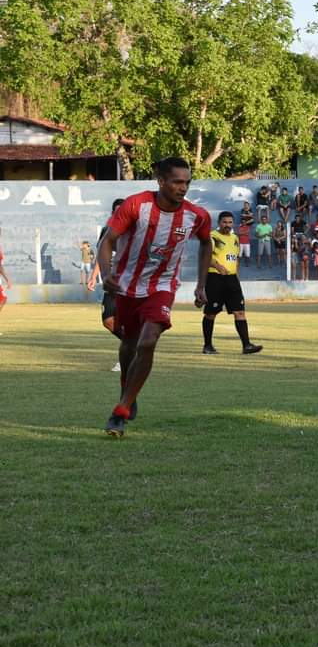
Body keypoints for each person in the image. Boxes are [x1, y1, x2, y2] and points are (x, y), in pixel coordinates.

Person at [95, 157, 212, 438]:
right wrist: (106, 273)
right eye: (177, 182)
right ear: (161, 182)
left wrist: (201, 285)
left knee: (148, 341)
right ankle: (128, 384)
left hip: (162, 286)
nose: (183, 188)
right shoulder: (136, 205)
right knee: (129, 343)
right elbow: (107, 241)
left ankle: (120, 412)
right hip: (126, 286)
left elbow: (207, 241)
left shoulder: (195, 216)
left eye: (187, 182)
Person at [202, 212, 263, 356]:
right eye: (225, 222)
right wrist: (218, 266)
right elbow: (206, 256)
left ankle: (246, 345)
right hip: (215, 278)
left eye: (230, 222)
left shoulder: (235, 238)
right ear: (219, 222)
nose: (227, 225)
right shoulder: (213, 237)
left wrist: (235, 274)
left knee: (240, 311)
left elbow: (235, 259)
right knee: (211, 313)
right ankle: (208, 345)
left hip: (232, 280)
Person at [86, 198, 128, 370]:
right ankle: (133, 346)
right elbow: (102, 255)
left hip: (129, 282)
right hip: (110, 283)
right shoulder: (106, 230)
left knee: (126, 319)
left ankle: (126, 358)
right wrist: (93, 276)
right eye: (116, 211)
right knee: (108, 320)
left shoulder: (135, 230)